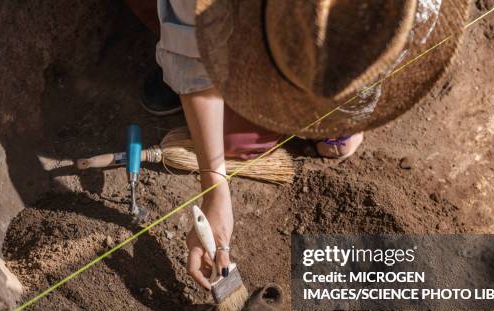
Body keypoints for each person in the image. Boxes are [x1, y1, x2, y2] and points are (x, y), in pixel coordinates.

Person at [127, 0, 469, 290]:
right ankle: (178, 46)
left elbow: (382, 58)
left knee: (323, 126)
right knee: (237, 141)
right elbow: (192, 57)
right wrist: (215, 187)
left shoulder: (412, 10)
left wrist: (343, 116)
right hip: (230, 16)